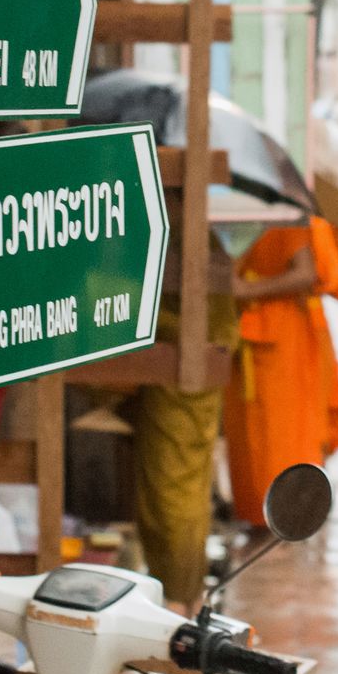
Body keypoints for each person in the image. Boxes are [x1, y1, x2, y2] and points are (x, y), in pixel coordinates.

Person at [132, 229, 240, 616]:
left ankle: (179, 603)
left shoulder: (186, 237)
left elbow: (177, 312)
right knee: (183, 489)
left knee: (172, 491)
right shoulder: (193, 235)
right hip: (190, 364)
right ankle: (185, 599)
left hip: (187, 369)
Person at [223, 217, 338, 528]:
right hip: (251, 331)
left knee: (283, 433)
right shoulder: (242, 212)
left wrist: (247, 288)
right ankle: (264, 515)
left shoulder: (283, 212)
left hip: (283, 336)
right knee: (254, 435)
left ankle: (290, 515)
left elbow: (306, 273)